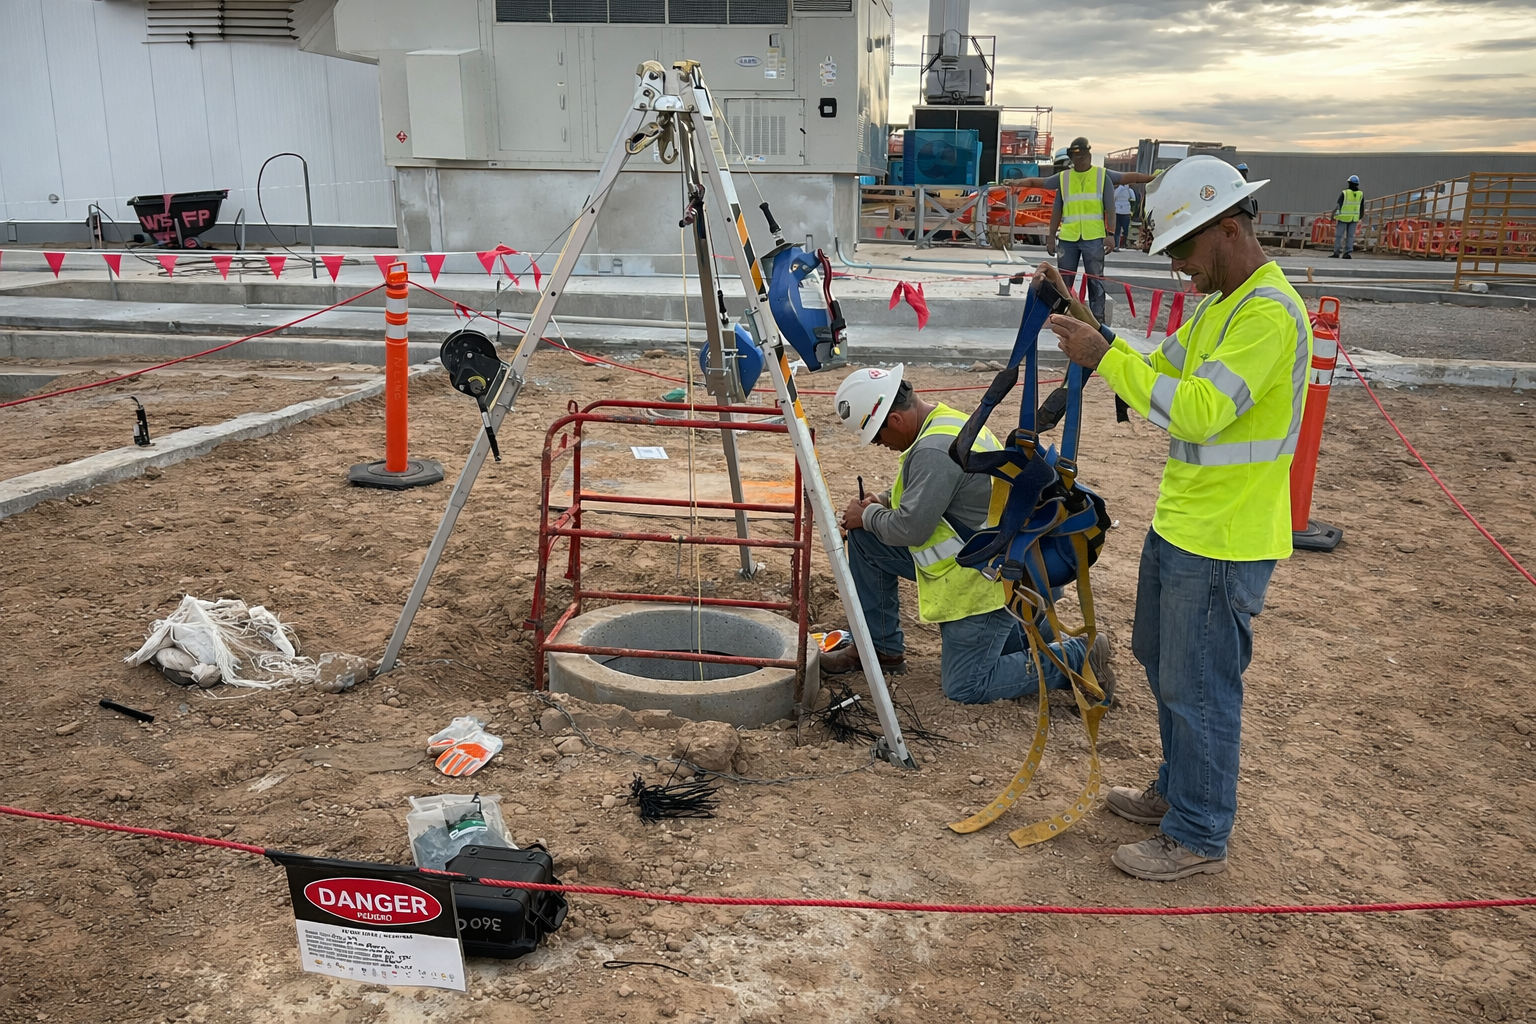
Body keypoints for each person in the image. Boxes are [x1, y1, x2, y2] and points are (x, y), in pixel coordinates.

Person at [1043, 154, 1312, 882]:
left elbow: (1196, 410)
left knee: (1200, 685)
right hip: (1185, 524)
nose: (1177, 267)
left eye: (1182, 248)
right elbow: (1157, 368)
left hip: (1225, 537)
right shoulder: (1219, 305)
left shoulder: (1266, 313)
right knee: (1165, 665)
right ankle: (1178, 790)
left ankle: (1197, 832)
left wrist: (1104, 360)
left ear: (1228, 228)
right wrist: (1085, 321)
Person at [821, 364, 1114, 706]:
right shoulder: (945, 422)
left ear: (896, 420)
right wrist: (885, 501)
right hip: (986, 556)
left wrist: (867, 514)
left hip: (982, 580)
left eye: (877, 437)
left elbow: (912, 529)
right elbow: (936, 491)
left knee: (966, 684)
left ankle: (1078, 657)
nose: (881, 445)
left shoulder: (932, 450)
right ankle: (882, 649)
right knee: (867, 540)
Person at [1010, 137, 1154, 322]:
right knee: (1063, 282)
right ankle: (1063, 317)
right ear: (1071, 157)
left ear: (1090, 154)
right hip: (1068, 238)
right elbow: (1047, 196)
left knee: (1096, 281)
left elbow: (1114, 203)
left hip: (1094, 238)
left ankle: (1098, 321)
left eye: (1085, 154)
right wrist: (1051, 236)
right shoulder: (1064, 178)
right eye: (1077, 155)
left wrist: (1110, 234)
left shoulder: (1101, 176)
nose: (1082, 158)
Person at [1331, 175, 1363, 258]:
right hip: (1354, 218)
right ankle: (1348, 253)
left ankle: (1337, 252)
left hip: (1343, 217)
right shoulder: (1360, 194)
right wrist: (1360, 216)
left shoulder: (1345, 193)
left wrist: (1334, 215)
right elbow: (1361, 206)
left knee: (1339, 235)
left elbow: (1339, 204)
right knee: (1350, 236)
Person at [1113, 181, 1134, 248]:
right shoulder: (1128, 190)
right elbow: (1133, 199)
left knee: (1121, 230)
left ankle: (1120, 244)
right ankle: (1119, 244)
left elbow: (1114, 197)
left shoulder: (1126, 190)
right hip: (1121, 211)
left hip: (1122, 212)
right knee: (1120, 229)